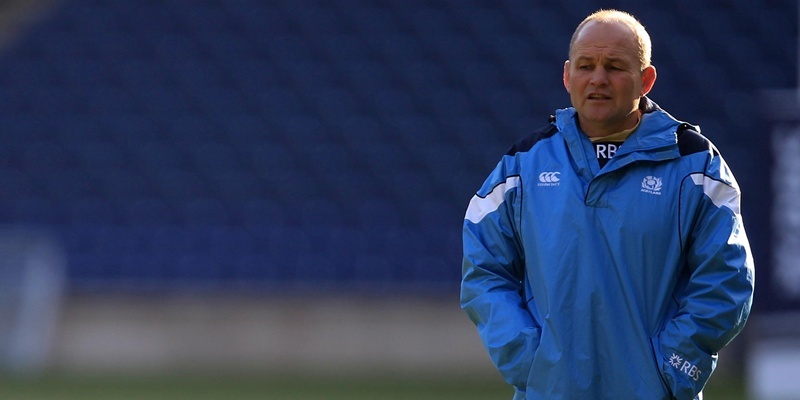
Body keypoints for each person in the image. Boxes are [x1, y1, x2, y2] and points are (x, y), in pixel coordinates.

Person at [460, 9, 754, 400]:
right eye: (586, 66)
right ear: (568, 76)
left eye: (615, 66)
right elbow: (483, 270)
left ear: (645, 79)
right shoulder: (523, 165)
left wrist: (674, 367)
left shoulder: (695, 166)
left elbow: (728, 279)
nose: (598, 78)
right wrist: (528, 360)